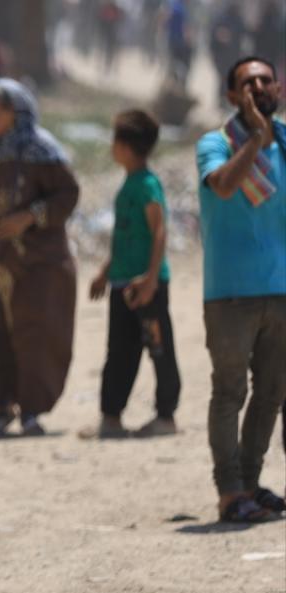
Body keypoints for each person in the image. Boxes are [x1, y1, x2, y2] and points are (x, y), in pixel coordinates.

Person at [0, 79, 80, 438]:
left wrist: (29, 217)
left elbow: (67, 195)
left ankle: (31, 410)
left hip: (34, 259)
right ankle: (1, 404)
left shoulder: (42, 152)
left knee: (37, 329)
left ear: (15, 112)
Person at [194, 56, 286, 523]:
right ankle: (229, 492)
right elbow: (226, 186)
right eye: (249, 83)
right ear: (232, 95)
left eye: (267, 81)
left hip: (281, 290)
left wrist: (268, 136)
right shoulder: (216, 144)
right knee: (230, 393)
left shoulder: (284, 142)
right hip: (230, 293)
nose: (260, 88)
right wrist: (254, 138)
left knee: (270, 393)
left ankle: (249, 483)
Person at [88, 110, 181, 439]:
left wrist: (151, 279)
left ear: (126, 147)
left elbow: (159, 231)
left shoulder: (146, 185)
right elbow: (125, 236)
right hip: (123, 284)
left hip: (146, 287)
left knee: (159, 347)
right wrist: (105, 272)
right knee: (120, 350)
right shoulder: (128, 185)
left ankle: (166, 416)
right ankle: (111, 417)